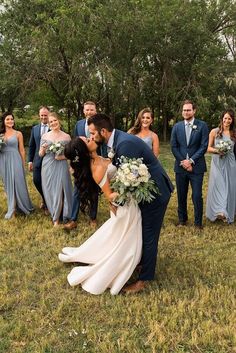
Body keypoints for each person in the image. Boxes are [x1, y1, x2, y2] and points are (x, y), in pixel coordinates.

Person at [87, 113, 173, 294]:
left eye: (93, 133)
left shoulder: (124, 144)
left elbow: (130, 179)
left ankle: (144, 280)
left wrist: (116, 200)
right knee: (143, 230)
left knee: (149, 234)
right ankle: (141, 263)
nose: (92, 137)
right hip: (145, 190)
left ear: (103, 131)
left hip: (155, 192)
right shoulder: (117, 141)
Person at [59, 137, 142, 295]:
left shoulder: (101, 158)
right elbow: (110, 195)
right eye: (88, 140)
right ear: (84, 150)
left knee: (120, 236)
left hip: (127, 203)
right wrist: (130, 184)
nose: (92, 138)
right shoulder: (96, 167)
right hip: (123, 205)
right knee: (126, 239)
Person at [170, 100, 209, 229]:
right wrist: (184, 162)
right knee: (181, 194)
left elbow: (203, 146)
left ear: (194, 111)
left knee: (197, 195)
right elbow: (174, 147)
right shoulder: (176, 127)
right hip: (180, 167)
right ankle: (182, 220)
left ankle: (198, 223)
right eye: (184, 110)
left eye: (188, 110)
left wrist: (191, 161)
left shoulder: (202, 126)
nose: (186, 112)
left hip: (197, 167)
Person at [64, 101, 100, 230]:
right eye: (87, 110)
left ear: (95, 111)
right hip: (80, 162)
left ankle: (93, 218)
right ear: (83, 111)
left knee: (94, 190)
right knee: (77, 189)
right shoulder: (78, 124)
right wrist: (72, 163)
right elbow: (74, 143)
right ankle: (73, 219)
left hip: (95, 160)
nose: (89, 112)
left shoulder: (100, 124)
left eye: (92, 109)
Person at [39, 112, 72, 227]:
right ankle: (54, 213)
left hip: (61, 165)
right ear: (48, 124)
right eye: (50, 122)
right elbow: (40, 154)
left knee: (61, 190)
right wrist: (43, 149)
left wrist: (61, 156)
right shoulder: (45, 136)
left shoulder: (67, 137)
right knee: (50, 190)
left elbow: (70, 154)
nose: (53, 123)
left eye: (55, 121)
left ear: (59, 121)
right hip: (48, 165)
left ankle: (59, 218)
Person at [0, 112, 34, 219]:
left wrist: (22, 164)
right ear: (4, 122)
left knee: (18, 183)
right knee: (8, 183)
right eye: (7, 119)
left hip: (15, 159)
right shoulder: (0, 135)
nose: (10, 121)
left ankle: (23, 205)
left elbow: (22, 150)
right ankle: (12, 208)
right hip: (3, 160)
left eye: (11, 119)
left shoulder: (18, 134)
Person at [206, 109, 236, 223]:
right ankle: (219, 211)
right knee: (219, 185)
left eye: (229, 118)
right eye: (225, 118)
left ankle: (226, 211)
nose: (227, 120)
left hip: (230, 162)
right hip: (217, 162)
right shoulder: (214, 132)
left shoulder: (234, 133)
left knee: (229, 186)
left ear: (232, 120)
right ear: (222, 118)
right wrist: (218, 150)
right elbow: (208, 148)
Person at [28, 106, 49, 212]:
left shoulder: (54, 126)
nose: (44, 117)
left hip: (50, 160)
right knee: (36, 180)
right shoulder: (35, 129)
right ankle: (45, 198)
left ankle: (47, 203)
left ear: (49, 115)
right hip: (37, 160)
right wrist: (30, 160)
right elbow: (31, 146)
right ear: (39, 115)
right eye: (42, 115)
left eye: (45, 115)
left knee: (48, 182)